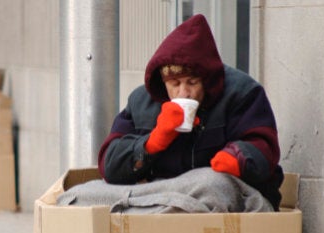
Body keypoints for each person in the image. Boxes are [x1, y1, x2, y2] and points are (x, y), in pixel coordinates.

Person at [97, 14, 284, 211]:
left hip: (223, 194)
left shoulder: (242, 93)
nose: (183, 92)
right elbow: (108, 164)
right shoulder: (141, 101)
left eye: (192, 83)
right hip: (165, 193)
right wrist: (151, 144)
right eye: (174, 84)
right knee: (90, 193)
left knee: (212, 183)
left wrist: (239, 157)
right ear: (163, 82)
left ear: (207, 79)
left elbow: (266, 148)